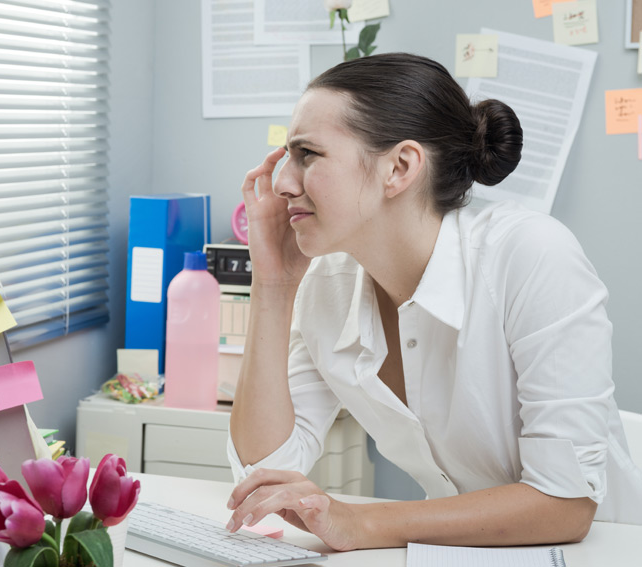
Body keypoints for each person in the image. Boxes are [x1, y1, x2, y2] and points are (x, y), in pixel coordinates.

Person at [224, 52, 642, 551]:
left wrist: (362, 524)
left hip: (608, 548)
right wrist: (273, 286)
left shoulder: (530, 256)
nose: (282, 182)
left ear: (399, 167)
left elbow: (566, 504)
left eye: (307, 154)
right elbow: (263, 474)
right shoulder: (326, 286)